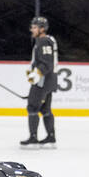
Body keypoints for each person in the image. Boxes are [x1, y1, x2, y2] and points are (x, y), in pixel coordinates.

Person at [22, 16, 58, 148]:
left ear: (42, 29)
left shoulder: (43, 41)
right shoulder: (48, 40)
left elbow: (46, 63)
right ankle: (51, 137)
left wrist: (36, 74)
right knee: (45, 109)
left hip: (42, 81)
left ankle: (33, 138)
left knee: (32, 107)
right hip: (49, 81)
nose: (32, 29)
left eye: (35, 27)